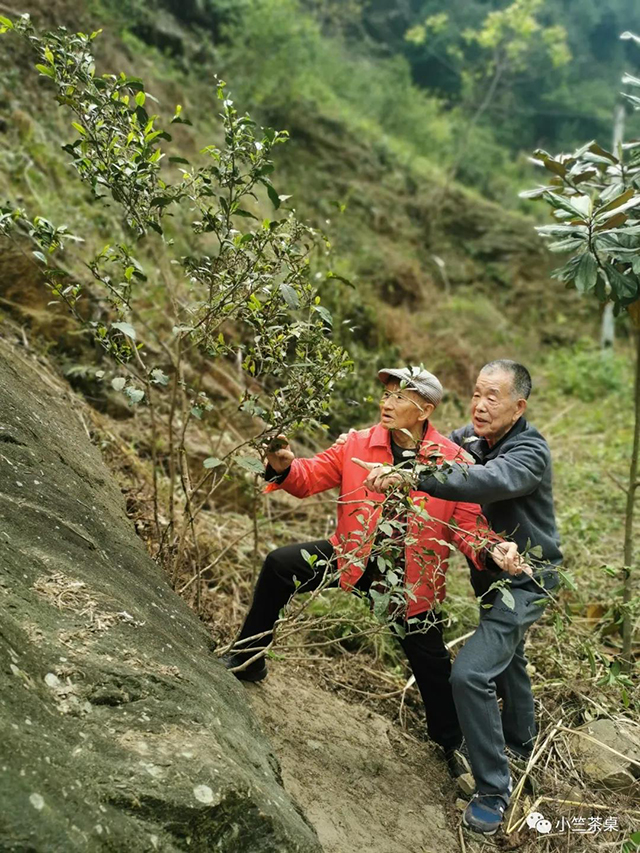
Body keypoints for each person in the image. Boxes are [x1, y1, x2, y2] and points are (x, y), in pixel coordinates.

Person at [222, 366, 530, 781]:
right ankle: (248, 658)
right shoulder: (357, 444)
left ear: (424, 409)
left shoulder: (453, 461)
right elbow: (309, 476)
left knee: (431, 662)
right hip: (352, 556)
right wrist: (284, 466)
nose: (387, 403)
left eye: (399, 397)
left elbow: (468, 527)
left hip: (411, 577)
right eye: (385, 395)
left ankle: (451, 742)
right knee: (281, 565)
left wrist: (495, 549)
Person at [350, 360, 561, 836]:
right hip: (490, 573)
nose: (480, 406)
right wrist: (376, 442)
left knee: (470, 673)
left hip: (525, 578)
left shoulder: (529, 452)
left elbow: (485, 480)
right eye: (477, 394)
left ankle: (492, 790)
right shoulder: (468, 439)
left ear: (518, 406)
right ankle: (521, 744)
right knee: (509, 659)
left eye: (494, 397)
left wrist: (415, 477)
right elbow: (434, 445)